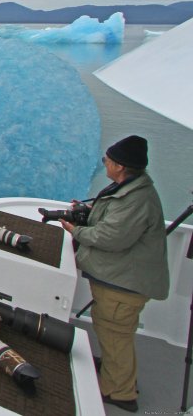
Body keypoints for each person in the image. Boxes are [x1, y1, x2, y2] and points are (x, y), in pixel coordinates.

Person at [61, 135, 169, 413]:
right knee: (112, 331)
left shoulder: (137, 199)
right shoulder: (131, 189)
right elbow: (114, 221)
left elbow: (112, 236)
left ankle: (120, 392)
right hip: (122, 278)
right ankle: (115, 374)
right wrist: (86, 212)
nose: (105, 164)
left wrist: (76, 231)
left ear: (120, 166)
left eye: (106, 160)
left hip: (124, 284)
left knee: (115, 335)